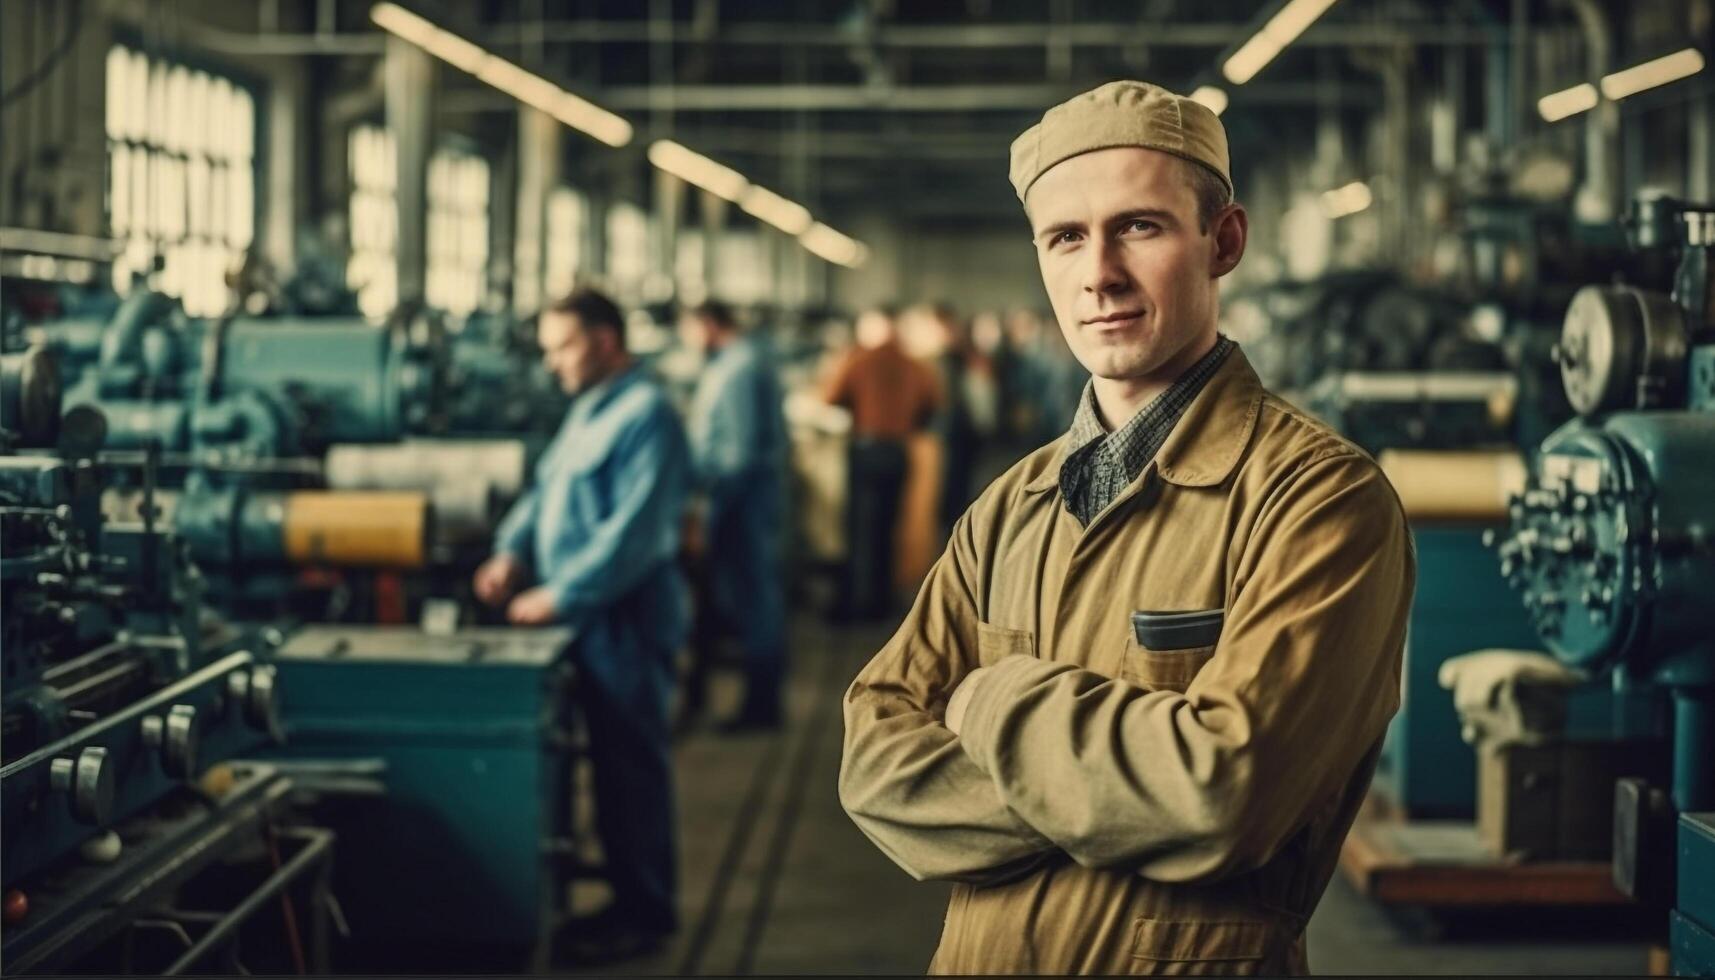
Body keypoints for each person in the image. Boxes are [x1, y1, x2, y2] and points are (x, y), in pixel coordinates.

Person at [838, 81, 1415, 975]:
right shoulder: (1009, 507)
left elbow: (1225, 796)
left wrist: (988, 699)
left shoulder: (1318, 501)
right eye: (1064, 237)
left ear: (1223, 242)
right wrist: (1122, 791)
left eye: (1138, 227)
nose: (1097, 272)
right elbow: (875, 766)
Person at [473, 288, 689, 961]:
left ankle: (645, 913)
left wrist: (560, 593)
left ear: (603, 340)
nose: (553, 364)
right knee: (597, 767)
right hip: (580, 624)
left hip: (623, 621)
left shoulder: (647, 415)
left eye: (562, 347)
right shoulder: (587, 411)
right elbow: (544, 493)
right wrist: (511, 550)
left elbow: (637, 534)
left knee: (629, 772)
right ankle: (616, 896)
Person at [677, 299, 790, 731]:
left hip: (741, 503)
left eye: (689, 329)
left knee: (755, 600)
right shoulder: (741, 360)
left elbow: (738, 453)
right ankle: (756, 702)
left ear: (707, 324)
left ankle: (760, 708)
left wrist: (709, 512)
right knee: (750, 597)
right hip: (741, 498)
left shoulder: (739, 368)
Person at [821, 306, 941, 621]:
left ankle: (860, 604)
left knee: (861, 529)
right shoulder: (915, 365)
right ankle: (884, 601)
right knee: (889, 527)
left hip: (866, 450)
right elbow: (933, 404)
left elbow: (830, 398)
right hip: (898, 453)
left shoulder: (858, 361)